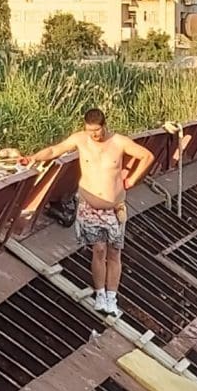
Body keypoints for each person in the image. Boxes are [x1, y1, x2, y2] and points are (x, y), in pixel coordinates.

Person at [24, 108, 154, 316]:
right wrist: (33, 157)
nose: (94, 135)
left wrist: (131, 180)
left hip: (114, 207)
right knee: (99, 249)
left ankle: (112, 297)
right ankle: (100, 294)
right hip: (90, 206)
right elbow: (54, 150)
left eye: (97, 130)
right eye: (90, 130)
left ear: (104, 126)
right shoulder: (80, 139)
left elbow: (146, 156)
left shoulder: (119, 142)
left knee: (114, 252)